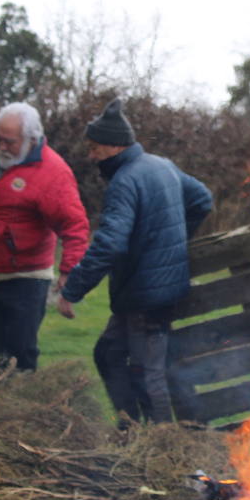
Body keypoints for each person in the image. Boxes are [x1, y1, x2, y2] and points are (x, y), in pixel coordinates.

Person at [57, 98, 214, 424]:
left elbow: (110, 244)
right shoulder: (161, 165)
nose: (91, 156)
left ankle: (163, 451)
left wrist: (72, 289)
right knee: (108, 353)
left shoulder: (125, 181)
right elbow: (202, 199)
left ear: (113, 146)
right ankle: (130, 428)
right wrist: (170, 242)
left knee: (147, 373)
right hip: (146, 291)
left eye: (94, 148)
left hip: (147, 294)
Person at [0, 102, 88, 371]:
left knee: (20, 354)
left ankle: (23, 410)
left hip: (24, 280)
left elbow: (75, 226)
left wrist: (68, 272)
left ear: (32, 139)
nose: (2, 147)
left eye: (10, 142)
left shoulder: (54, 174)